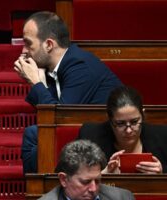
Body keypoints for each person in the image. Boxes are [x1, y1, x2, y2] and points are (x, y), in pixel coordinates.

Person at [14, 11, 122, 173]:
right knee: (32, 134)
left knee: (37, 142)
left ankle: (38, 188)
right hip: (81, 131)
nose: (24, 51)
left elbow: (60, 119)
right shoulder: (56, 67)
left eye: (29, 44)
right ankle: (34, 188)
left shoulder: (79, 65)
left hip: (104, 138)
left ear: (49, 45)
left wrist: (35, 82)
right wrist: (41, 81)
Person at [78, 86, 166, 173]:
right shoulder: (90, 136)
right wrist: (101, 177)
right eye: (120, 124)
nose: (129, 131)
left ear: (143, 115)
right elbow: (70, 178)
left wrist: (161, 176)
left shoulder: (163, 136)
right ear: (110, 120)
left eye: (134, 122)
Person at [39, 139, 135, 200]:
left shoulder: (123, 197)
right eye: (85, 182)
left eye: (97, 181)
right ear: (64, 179)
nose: (93, 189)